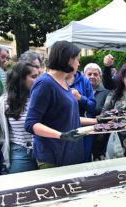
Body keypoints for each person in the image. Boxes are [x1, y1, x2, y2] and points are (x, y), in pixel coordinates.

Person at [24, 41, 97, 169]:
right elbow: (31, 124)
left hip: (71, 154)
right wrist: (61, 135)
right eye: (77, 60)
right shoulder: (45, 83)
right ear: (68, 60)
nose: (79, 64)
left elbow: (67, 117)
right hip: (53, 157)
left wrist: (97, 121)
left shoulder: (64, 83)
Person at [0, 62, 39, 174]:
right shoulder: (3, 102)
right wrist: (5, 140)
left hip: (45, 150)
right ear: (20, 79)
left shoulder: (41, 97)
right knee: (20, 186)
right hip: (20, 150)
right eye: (34, 76)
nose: (38, 80)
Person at [66, 62, 96, 162]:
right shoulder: (55, 80)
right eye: (76, 60)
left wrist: (80, 98)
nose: (78, 63)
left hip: (83, 131)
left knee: (83, 162)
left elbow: (92, 106)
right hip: (62, 130)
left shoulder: (84, 81)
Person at [83, 63, 110, 160]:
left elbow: (109, 115)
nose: (92, 76)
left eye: (95, 74)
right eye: (89, 74)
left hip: (100, 135)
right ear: (84, 75)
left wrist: (102, 133)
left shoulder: (107, 93)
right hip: (82, 133)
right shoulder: (79, 92)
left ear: (100, 77)